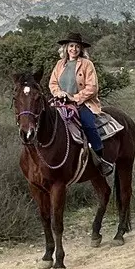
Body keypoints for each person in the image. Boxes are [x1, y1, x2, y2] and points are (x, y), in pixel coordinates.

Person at [49, 32, 114, 176]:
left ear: (81, 49)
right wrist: (58, 93)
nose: (74, 49)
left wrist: (75, 97)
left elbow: (92, 87)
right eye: (71, 46)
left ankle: (100, 158)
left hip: (82, 103)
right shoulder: (60, 64)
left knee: (89, 125)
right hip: (60, 103)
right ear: (66, 48)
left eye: (77, 46)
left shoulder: (87, 64)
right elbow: (52, 83)